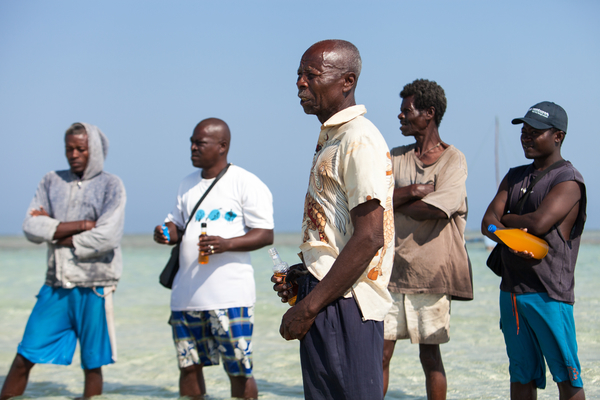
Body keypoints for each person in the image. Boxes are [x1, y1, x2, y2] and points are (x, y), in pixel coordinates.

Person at [272, 39, 395, 400]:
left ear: (347, 81)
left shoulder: (359, 139)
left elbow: (370, 236)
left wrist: (308, 308)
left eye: (311, 75)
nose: (300, 83)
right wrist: (305, 275)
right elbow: (338, 231)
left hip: (346, 302)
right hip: (328, 294)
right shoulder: (332, 138)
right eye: (298, 75)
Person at [1, 123, 126, 400]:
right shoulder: (50, 181)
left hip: (96, 286)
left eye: (81, 148)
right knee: (25, 354)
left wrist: (57, 232)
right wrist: (82, 225)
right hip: (56, 284)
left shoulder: (111, 185)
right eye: (69, 148)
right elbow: (31, 226)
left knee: (92, 364)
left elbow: (108, 236)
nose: (74, 154)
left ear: (95, 150)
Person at [153, 118, 274, 400]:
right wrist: (166, 233)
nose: (193, 148)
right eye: (192, 142)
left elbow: (265, 234)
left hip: (230, 299)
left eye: (200, 143)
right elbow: (176, 224)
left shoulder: (246, 182)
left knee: (239, 370)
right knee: (189, 367)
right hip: (185, 297)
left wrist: (225, 244)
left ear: (222, 146)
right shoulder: (186, 183)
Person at [481, 101, 587, 400]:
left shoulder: (568, 179)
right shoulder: (514, 176)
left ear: (558, 136)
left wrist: (507, 221)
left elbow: (539, 223)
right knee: (521, 375)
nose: (526, 136)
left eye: (535, 131)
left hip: (549, 294)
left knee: (567, 377)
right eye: (524, 131)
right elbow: (486, 223)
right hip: (512, 292)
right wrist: (508, 233)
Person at [382, 79, 473, 400]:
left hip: (432, 275)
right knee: (380, 353)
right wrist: (414, 191)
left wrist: (397, 200)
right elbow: (375, 200)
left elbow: (439, 210)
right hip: (391, 273)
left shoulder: (453, 159)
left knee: (430, 357)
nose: (400, 117)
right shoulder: (394, 157)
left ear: (429, 113)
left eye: (407, 111)